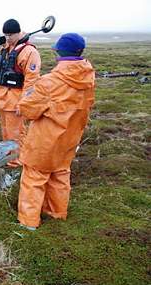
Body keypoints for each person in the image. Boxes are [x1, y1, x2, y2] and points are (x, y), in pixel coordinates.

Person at [16, 33, 96, 230]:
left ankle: (29, 222)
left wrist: (27, 94)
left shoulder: (48, 82)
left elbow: (27, 110)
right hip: (69, 141)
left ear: (58, 52)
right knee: (60, 175)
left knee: (34, 178)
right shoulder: (89, 79)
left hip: (44, 143)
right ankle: (57, 215)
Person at [0, 19, 41, 166]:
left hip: (16, 100)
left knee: (16, 133)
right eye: (6, 34)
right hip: (3, 99)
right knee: (6, 131)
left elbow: (31, 80)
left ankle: (17, 161)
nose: (8, 38)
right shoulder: (6, 48)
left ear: (18, 33)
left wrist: (24, 103)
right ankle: (9, 156)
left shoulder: (29, 52)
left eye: (10, 35)